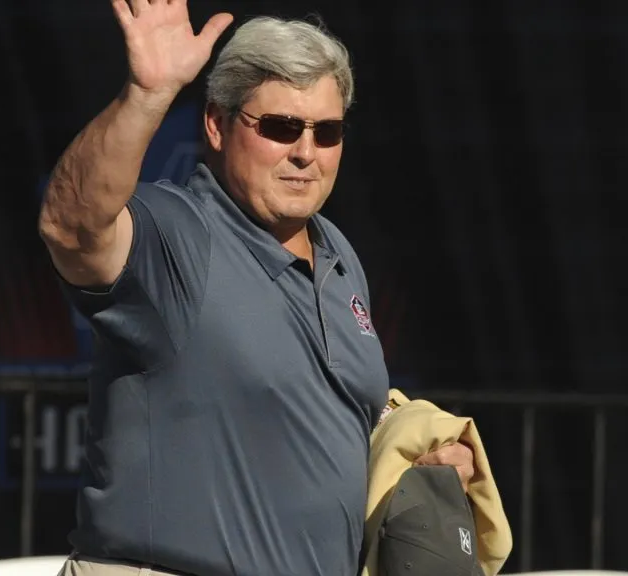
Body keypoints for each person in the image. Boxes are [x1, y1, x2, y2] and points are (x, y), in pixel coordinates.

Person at [39, 1, 476, 575]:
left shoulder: (339, 255)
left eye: (327, 132)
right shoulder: (180, 233)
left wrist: (424, 453)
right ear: (217, 125)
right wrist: (148, 93)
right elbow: (70, 226)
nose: (305, 152)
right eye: (280, 127)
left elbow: (320, 427)